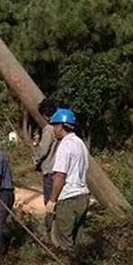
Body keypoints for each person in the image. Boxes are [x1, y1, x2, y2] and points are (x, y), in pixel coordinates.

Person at [46, 109, 89, 250]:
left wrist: (52, 201)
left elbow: (60, 176)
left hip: (69, 199)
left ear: (60, 126)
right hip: (83, 196)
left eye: (54, 126)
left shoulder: (65, 145)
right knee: (77, 241)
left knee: (63, 243)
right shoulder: (80, 144)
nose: (53, 130)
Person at [33, 100, 58, 235]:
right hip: (60, 171)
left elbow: (43, 150)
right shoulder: (63, 128)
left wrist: (36, 160)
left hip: (50, 171)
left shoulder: (49, 129)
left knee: (50, 202)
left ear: (45, 115)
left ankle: (50, 231)